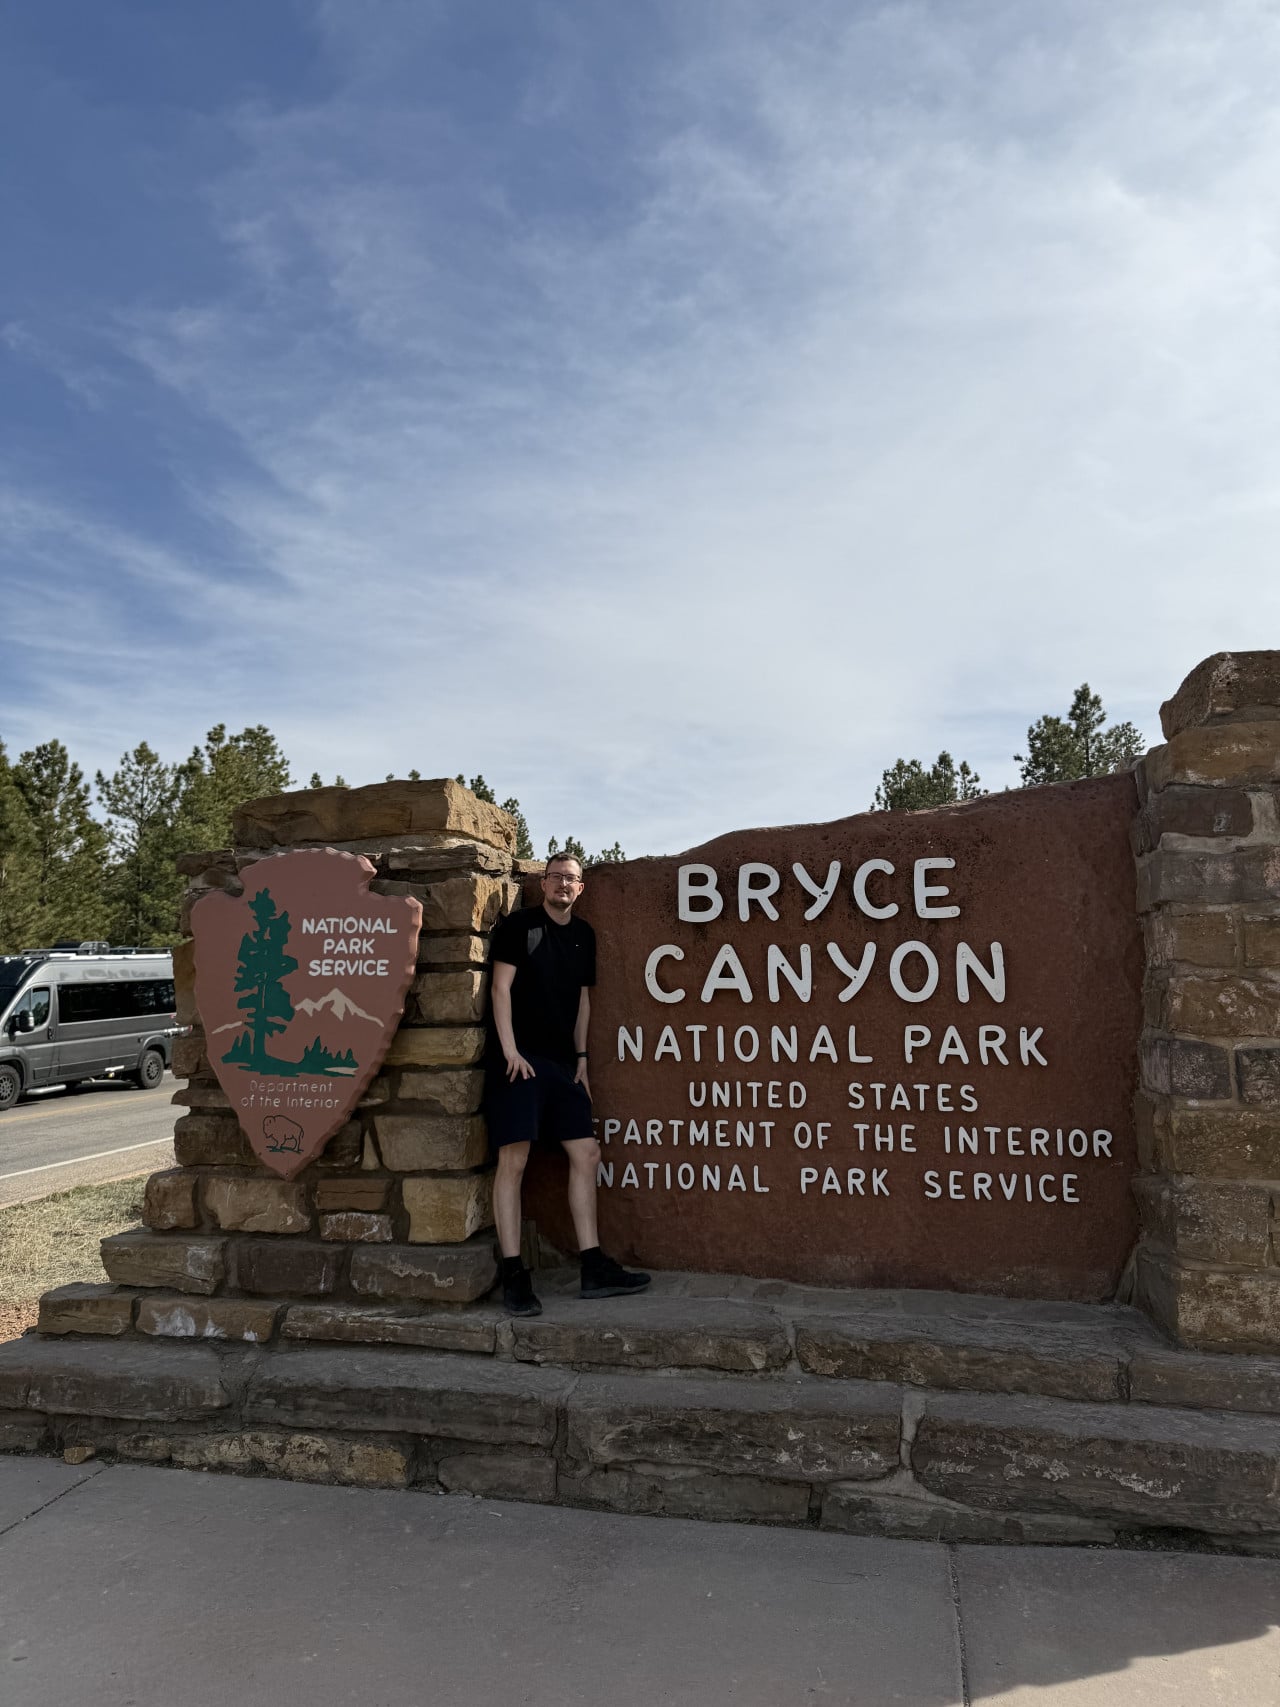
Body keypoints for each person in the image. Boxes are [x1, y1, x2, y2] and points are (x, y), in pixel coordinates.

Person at [485, 852, 650, 1316]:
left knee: (587, 1153)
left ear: (582, 889)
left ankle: (593, 1266)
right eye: (556, 877)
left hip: (561, 1066)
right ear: (544, 883)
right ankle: (515, 1275)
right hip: (518, 1062)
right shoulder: (520, 928)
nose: (563, 885)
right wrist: (510, 1050)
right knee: (513, 1160)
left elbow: (583, 1003)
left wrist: (581, 1060)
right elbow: (500, 990)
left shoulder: (583, 936)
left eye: (571, 880)